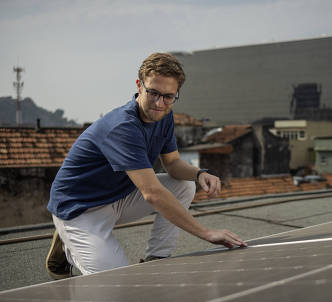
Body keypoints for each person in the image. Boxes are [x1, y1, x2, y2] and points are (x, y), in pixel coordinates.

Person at [46, 52, 247, 279]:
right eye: (154, 93)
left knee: (185, 185)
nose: (160, 103)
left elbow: (172, 164)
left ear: (176, 94)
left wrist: (199, 174)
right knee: (115, 284)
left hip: (117, 198)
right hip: (80, 209)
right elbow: (152, 193)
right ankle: (68, 244)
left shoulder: (164, 116)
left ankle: (157, 258)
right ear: (139, 85)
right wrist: (206, 233)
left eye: (168, 96)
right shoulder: (123, 127)